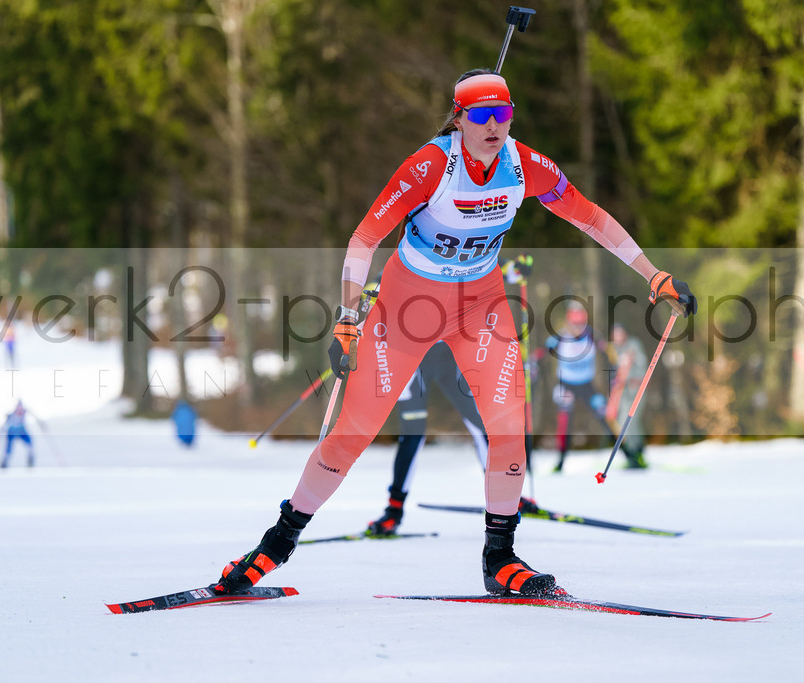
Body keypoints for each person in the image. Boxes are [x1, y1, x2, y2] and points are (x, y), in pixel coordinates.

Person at [213, 68, 696, 598]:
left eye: (503, 114)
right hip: (407, 306)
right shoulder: (429, 166)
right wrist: (348, 318)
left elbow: (590, 217)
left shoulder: (525, 166)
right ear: (459, 118)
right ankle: (276, 545)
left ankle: (501, 558)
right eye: (482, 115)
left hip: (480, 307)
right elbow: (364, 237)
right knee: (354, 431)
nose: (494, 126)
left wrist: (653, 275)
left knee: (509, 427)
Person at [366, 341, 489, 536]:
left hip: (450, 353)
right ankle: (393, 510)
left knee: (481, 426)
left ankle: (505, 497)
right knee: (412, 434)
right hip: (411, 357)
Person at [546, 303, 617, 473]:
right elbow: (542, 352)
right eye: (574, 324)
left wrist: (615, 370)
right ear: (568, 323)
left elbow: (610, 352)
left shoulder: (592, 335)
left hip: (587, 386)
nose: (577, 328)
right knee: (565, 421)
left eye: (580, 324)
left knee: (604, 414)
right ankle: (560, 461)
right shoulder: (559, 338)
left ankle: (628, 453)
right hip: (566, 385)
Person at [603, 323, 648, 469]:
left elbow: (642, 365)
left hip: (635, 391)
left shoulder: (633, 345)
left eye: (619, 333)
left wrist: (635, 378)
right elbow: (614, 371)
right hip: (621, 393)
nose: (617, 337)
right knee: (621, 424)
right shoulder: (614, 349)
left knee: (630, 423)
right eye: (614, 335)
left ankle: (637, 454)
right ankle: (633, 455)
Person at [0, 401, 40, 468]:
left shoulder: (25, 412)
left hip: (22, 431)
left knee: (30, 444)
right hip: (12, 432)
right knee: (8, 449)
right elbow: (4, 425)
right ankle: (4, 462)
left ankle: (30, 460)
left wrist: (41, 423)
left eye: (21, 409)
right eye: (18, 409)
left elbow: (34, 416)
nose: (20, 411)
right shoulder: (10, 415)